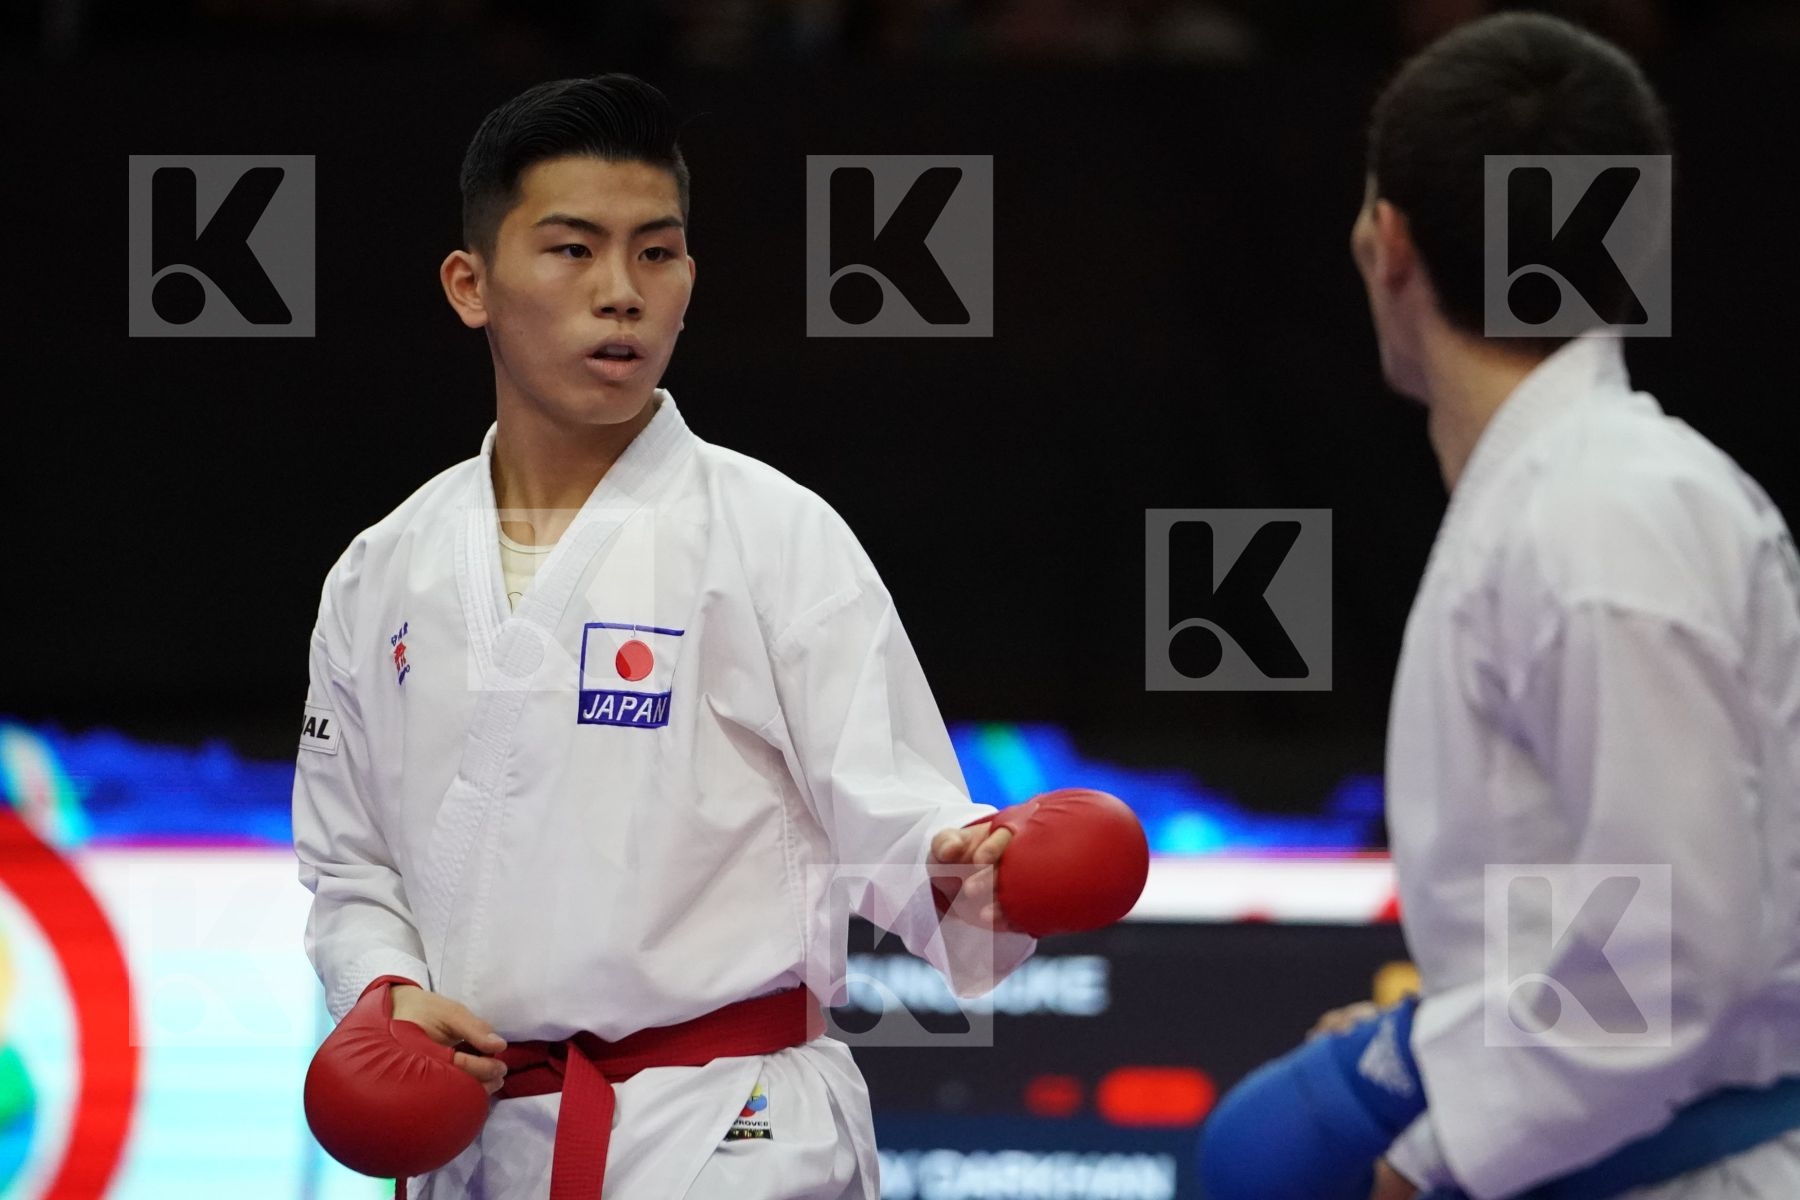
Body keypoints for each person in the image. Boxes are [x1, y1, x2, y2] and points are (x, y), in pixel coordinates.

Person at [290, 73, 1043, 1198]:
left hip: (731, 1134)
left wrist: (967, 861)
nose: (621, 293)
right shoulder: (379, 569)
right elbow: (349, 865)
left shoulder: (774, 534)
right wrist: (387, 990)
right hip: (482, 1143)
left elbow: (900, 814)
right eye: (571, 250)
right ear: (470, 285)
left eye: (657, 252)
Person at [1346, 12, 1800, 1200]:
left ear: (1387, 242)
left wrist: (1437, 1141)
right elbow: (1583, 886)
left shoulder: (1606, 515)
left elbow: (1677, 954)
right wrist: (1433, 1045)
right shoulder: (1573, 496)